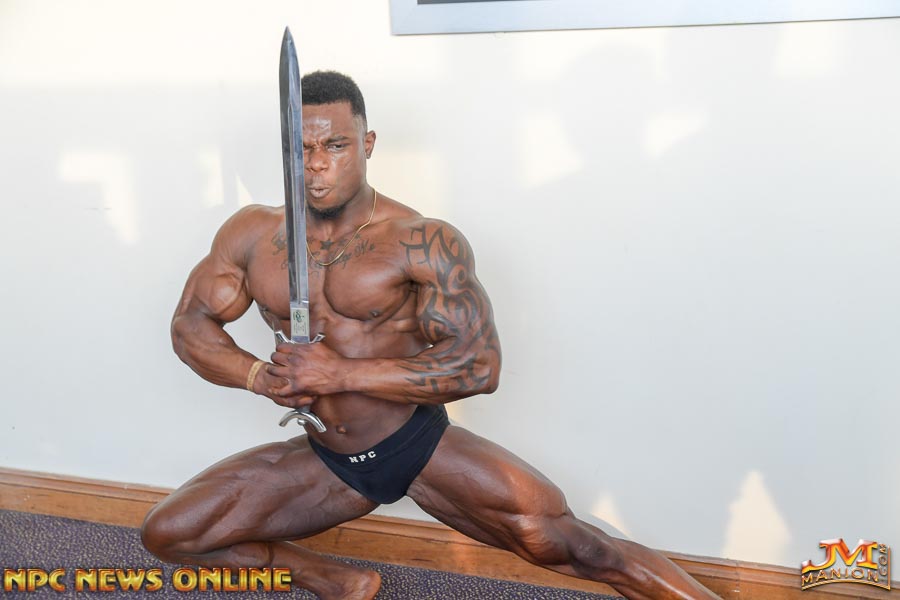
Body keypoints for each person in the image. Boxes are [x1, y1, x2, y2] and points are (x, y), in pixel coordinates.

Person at [141, 71, 718, 600]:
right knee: (169, 533)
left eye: (335, 146)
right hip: (327, 455)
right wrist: (257, 376)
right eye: (301, 149)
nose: (315, 165)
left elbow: (478, 366)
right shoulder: (252, 232)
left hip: (415, 444)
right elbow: (190, 324)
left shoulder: (420, 239)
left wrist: (338, 374)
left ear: (367, 144)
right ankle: (338, 583)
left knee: (584, 550)